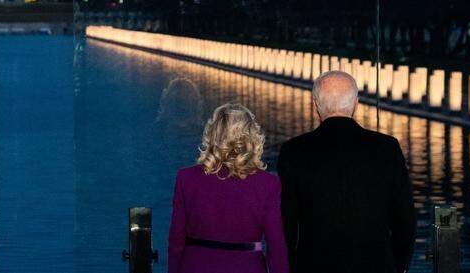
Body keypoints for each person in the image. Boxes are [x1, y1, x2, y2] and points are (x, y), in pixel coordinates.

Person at [278, 70, 416, 273]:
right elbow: (405, 220)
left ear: (315, 105)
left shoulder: (293, 151)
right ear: (356, 104)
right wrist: (397, 266)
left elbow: (286, 224)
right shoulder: (387, 148)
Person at [167, 103, 288, 273]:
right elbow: (276, 247)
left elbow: (176, 241)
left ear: (213, 134)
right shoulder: (268, 184)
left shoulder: (186, 178)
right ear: (252, 137)